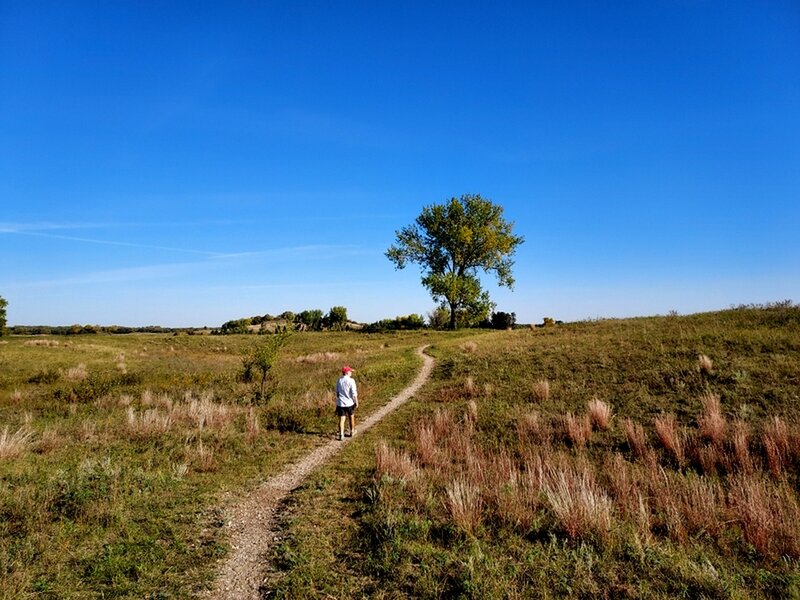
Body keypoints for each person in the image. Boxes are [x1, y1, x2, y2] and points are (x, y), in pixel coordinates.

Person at [335, 365, 358, 440]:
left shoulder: (339, 380)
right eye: (350, 371)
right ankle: (352, 431)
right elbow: (354, 393)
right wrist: (356, 402)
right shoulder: (351, 380)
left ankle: (341, 435)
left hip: (341, 403)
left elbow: (337, 392)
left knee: (342, 419)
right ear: (347, 372)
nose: (351, 372)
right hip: (350, 402)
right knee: (351, 416)